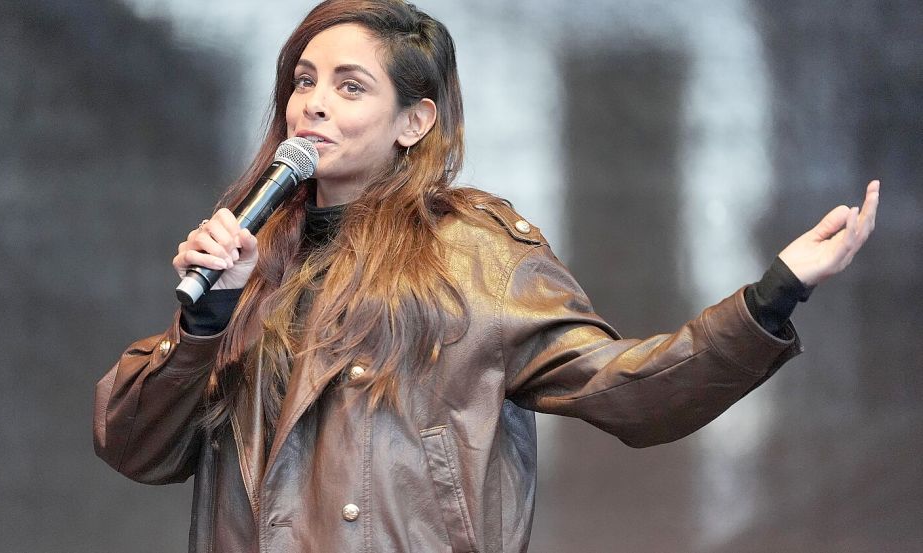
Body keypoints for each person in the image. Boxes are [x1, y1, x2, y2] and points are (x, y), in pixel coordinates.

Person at [93, 1, 880, 551]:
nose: (313, 106)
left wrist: (774, 293)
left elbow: (631, 391)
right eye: (303, 80)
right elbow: (134, 447)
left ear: (415, 121)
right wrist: (202, 325)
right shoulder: (252, 259)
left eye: (349, 86)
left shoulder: (471, 253)